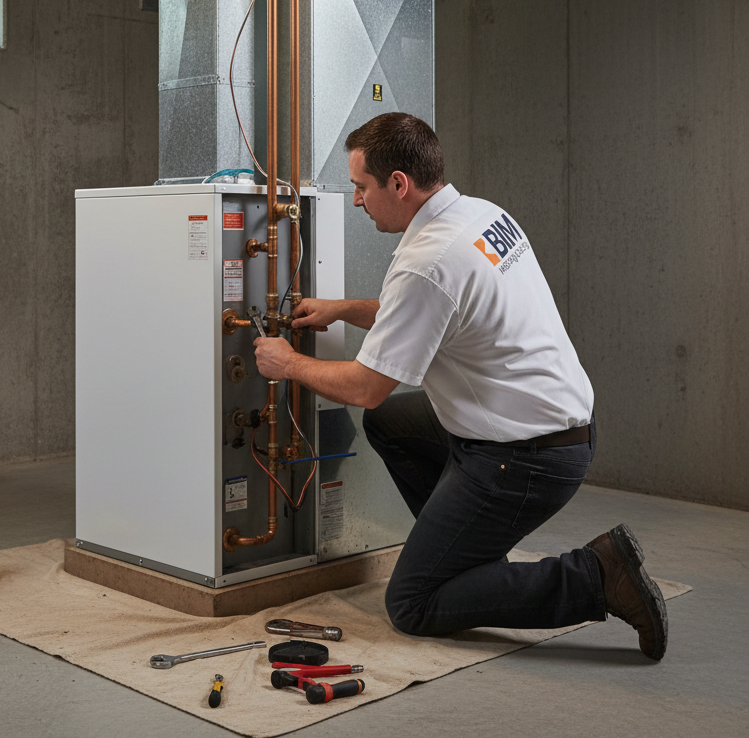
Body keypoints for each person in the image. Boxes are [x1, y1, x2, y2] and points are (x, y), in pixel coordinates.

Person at [253, 112, 668, 660]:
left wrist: (287, 363)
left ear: (398, 184)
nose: (355, 200)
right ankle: (461, 554)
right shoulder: (478, 215)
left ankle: (596, 576)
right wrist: (344, 309)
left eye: (360, 187)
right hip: (555, 425)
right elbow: (435, 309)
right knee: (392, 425)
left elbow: (365, 387)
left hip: (527, 457)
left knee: (413, 603)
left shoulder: (428, 261)